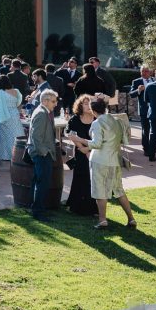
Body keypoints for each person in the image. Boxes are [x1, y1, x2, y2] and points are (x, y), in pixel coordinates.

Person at [67, 96, 137, 230]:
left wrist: (79, 139)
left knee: (100, 192)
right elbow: (122, 141)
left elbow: (97, 144)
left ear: (93, 111)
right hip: (114, 160)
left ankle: (102, 220)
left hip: (99, 161)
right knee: (119, 191)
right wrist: (86, 147)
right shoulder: (117, 120)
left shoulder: (97, 123)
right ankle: (131, 218)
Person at [26, 88, 60, 222]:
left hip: (41, 153)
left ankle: (36, 208)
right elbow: (36, 137)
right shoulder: (41, 113)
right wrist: (44, 152)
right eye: (53, 101)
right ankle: (38, 212)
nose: (55, 104)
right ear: (45, 101)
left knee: (38, 182)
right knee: (42, 183)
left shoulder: (43, 111)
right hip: (41, 154)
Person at [65, 95, 98, 216]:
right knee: (80, 178)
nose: (88, 105)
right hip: (80, 153)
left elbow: (99, 139)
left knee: (92, 179)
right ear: (80, 106)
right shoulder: (75, 119)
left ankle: (93, 208)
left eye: (89, 103)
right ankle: (76, 206)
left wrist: (89, 150)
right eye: (85, 103)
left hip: (95, 152)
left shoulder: (97, 119)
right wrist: (83, 149)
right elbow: (71, 135)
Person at [0, 75, 22, 165]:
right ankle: (17, 155)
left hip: (2, 118)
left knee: (1, 138)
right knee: (15, 136)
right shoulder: (16, 91)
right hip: (14, 117)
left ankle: (3, 156)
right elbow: (19, 103)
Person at [129, 66, 155, 159]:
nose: (144, 73)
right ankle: (146, 149)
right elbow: (131, 94)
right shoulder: (136, 81)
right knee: (146, 130)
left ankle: (155, 149)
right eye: (142, 71)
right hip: (144, 110)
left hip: (155, 109)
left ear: (150, 72)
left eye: (146, 71)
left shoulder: (155, 80)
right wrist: (138, 90)